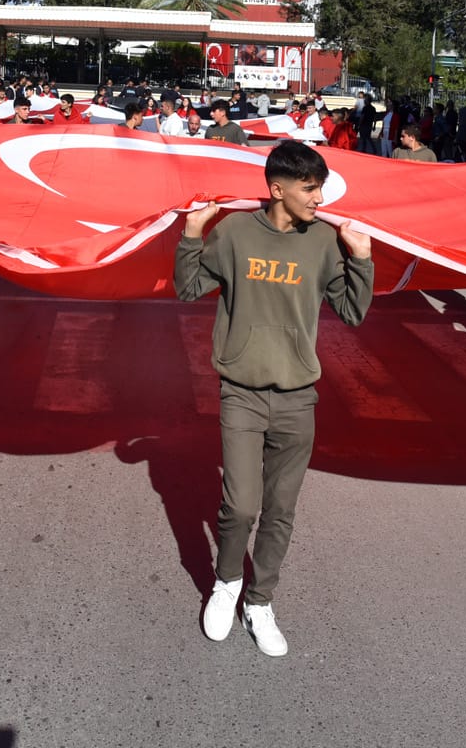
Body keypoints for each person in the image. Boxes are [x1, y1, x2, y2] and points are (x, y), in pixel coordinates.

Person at [176, 141, 373, 658]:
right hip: (241, 392)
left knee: (280, 510)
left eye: (321, 188)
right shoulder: (236, 233)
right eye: (310, 188)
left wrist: (363, 259)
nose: (319, 198)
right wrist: (193, 235)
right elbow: (187, 287)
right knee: (240, 506)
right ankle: (226, 585)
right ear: (277, 188)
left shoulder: (324, 242)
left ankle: (259, 602)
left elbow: (352, 312)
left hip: (297, 397)